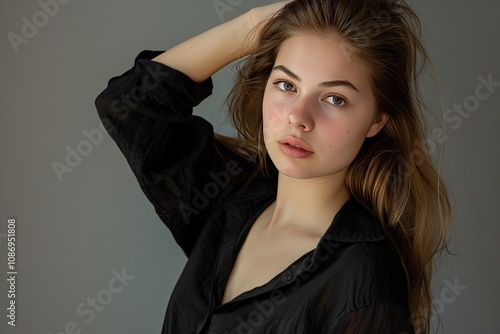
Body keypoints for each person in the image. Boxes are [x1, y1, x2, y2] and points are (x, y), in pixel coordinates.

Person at [95, 0, 451, 333]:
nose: (298, 117)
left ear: (376, 120)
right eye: (286, 84)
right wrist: (249, 26)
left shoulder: (364, 282)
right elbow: (130, 107)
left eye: (334, 98)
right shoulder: (228, 195)